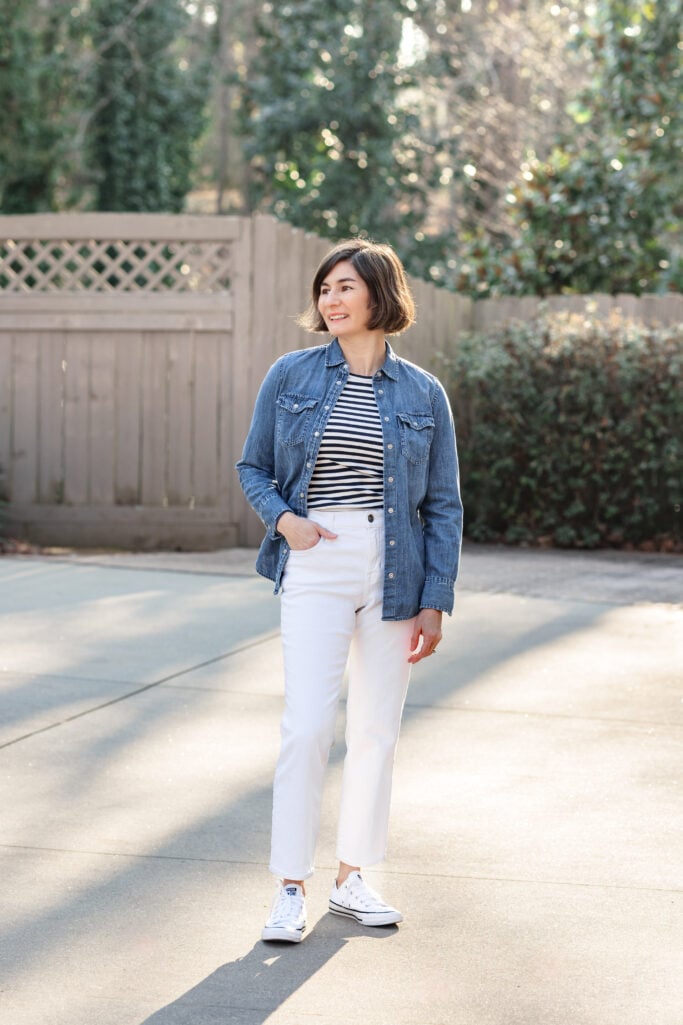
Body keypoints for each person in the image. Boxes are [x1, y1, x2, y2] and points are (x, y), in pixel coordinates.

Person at [236, 238, 463, 943]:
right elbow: (253, 466)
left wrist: (436, 596)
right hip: (317, 558)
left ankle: (352, 877)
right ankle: (288, 887)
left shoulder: (423, 392)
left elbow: (443, 504)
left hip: (395, 566)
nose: (329, 300)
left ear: (379, 294)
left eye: (344, 287)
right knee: (306, 724)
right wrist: (285, 521)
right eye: (324, 289)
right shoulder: (291, 374)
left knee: (374, 731)